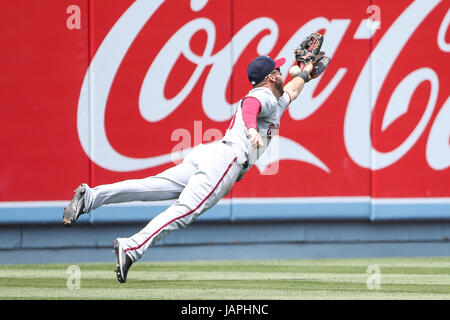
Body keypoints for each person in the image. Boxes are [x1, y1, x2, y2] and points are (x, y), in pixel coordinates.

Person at [63, 54, 316, 283]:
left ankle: (91, 197)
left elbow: (293, 89)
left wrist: (306, 70)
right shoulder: (263, 96)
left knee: (149, 186)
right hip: (227, 160)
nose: (284, 73)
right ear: (271, 77)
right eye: (279, 70)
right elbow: (251, 106)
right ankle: (131, 247)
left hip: (210, 154)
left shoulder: (276, 99)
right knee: (185, 211)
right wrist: (251, 131)